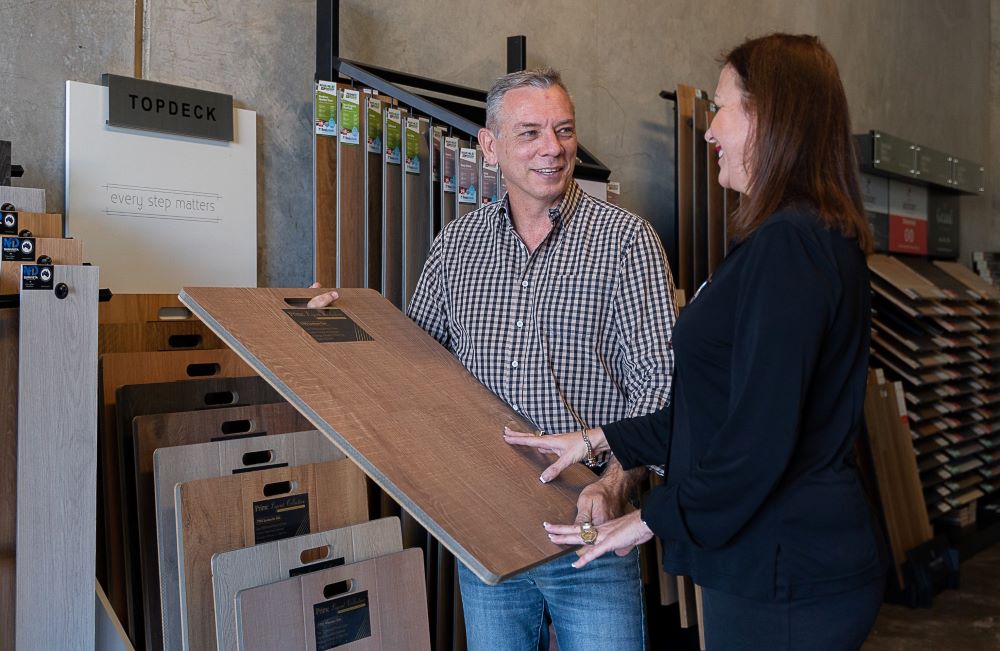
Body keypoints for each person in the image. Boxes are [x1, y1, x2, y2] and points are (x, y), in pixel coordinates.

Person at [506, 34, 886, 650]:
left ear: (770, 117)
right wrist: (598, 438)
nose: (710, 130)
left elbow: (757, 442)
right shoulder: (799, 240)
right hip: (781, 564)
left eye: (723, 107)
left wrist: (644, 521)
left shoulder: (789, 248)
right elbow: (717, 408)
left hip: (784, 574)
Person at [311, 68, 676, 650]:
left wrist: (614, 484)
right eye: (530, 132)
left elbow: (660, 393)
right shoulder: (458, 245)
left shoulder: (626, 242)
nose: (551, 149)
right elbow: (413, 364)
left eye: (563, 130)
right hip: (485, 529)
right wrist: (341, 323)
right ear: (490, 145)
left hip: (592, 528)